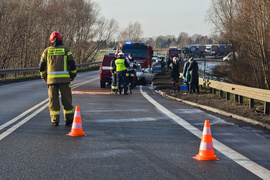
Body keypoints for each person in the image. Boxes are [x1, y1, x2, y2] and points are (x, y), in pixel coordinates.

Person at [39, 31, 77, 126]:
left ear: (51, 40)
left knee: (53, 101)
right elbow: (72, 65)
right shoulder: (66, 50)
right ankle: (68, 120)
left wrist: (44, 76)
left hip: (51, 81)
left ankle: (55, 120)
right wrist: (72, 75)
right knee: (67, 100)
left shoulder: (46, 51)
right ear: (61, 39)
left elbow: (41, 66)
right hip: (64, 81)